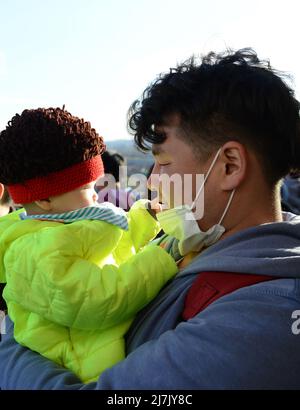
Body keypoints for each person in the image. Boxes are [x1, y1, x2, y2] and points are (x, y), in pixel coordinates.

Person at [1, 47, 300, 389]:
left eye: (165, 162)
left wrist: (11, 338)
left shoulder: (264, 319)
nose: (153, 180)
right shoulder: (183, 242)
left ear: (229, 165)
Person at [0, 107, 178, 383]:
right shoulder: (32, 250)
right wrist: (159, 259)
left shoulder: (68, 225)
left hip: (97, 353)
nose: (96, 197)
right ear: (46, 198)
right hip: (78, 365)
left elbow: (114, 249)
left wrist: (145, 218)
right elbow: (97, 300)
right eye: (87, 189)